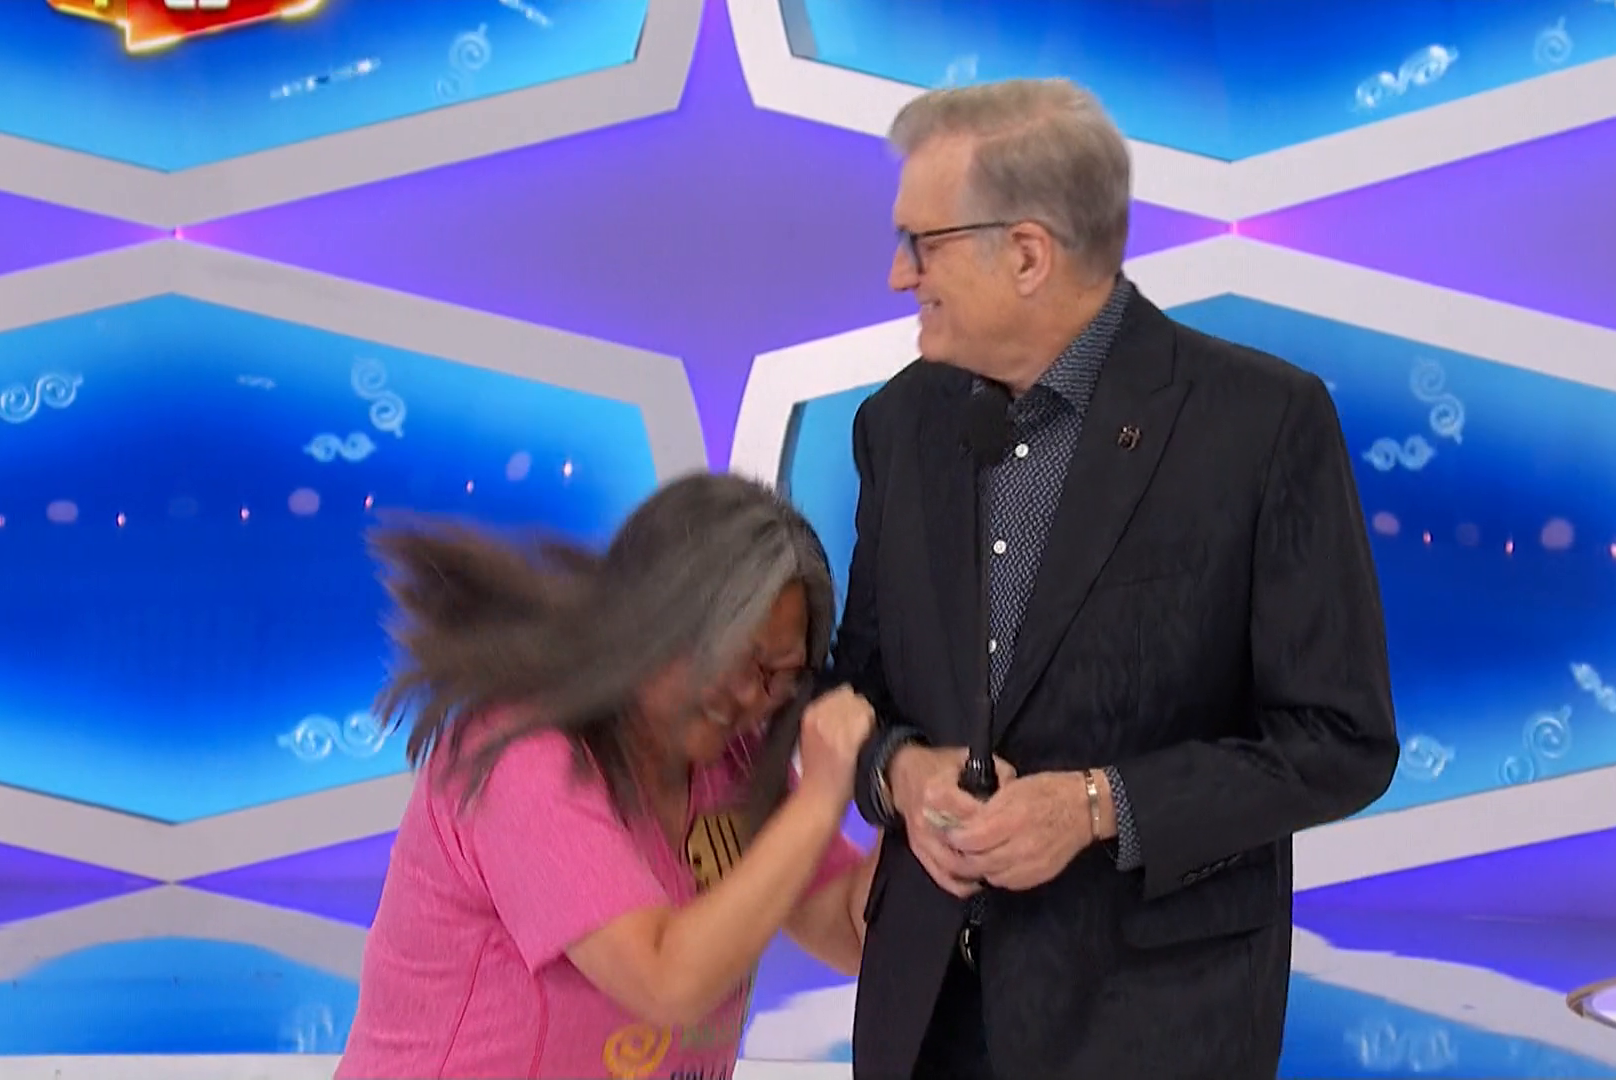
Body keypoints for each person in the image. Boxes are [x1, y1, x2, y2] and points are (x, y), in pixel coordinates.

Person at [833, 79, 1399, 1079]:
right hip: (925, 1018)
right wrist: (901, 775)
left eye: (922, 243)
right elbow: (854, 689)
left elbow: (1340, 741)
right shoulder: (898, 424)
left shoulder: (1260, 425)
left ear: (1027, 253)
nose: (896, 274)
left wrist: (1101, 806)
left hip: (1150, 1025)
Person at [336, 473, 878, 1080]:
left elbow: (854, 931)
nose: (752, 695)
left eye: (779, 676)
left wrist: (912, 784)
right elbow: (665, 981)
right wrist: (822, 798)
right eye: (738, 657)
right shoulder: (521, 753)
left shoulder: (735, 762)